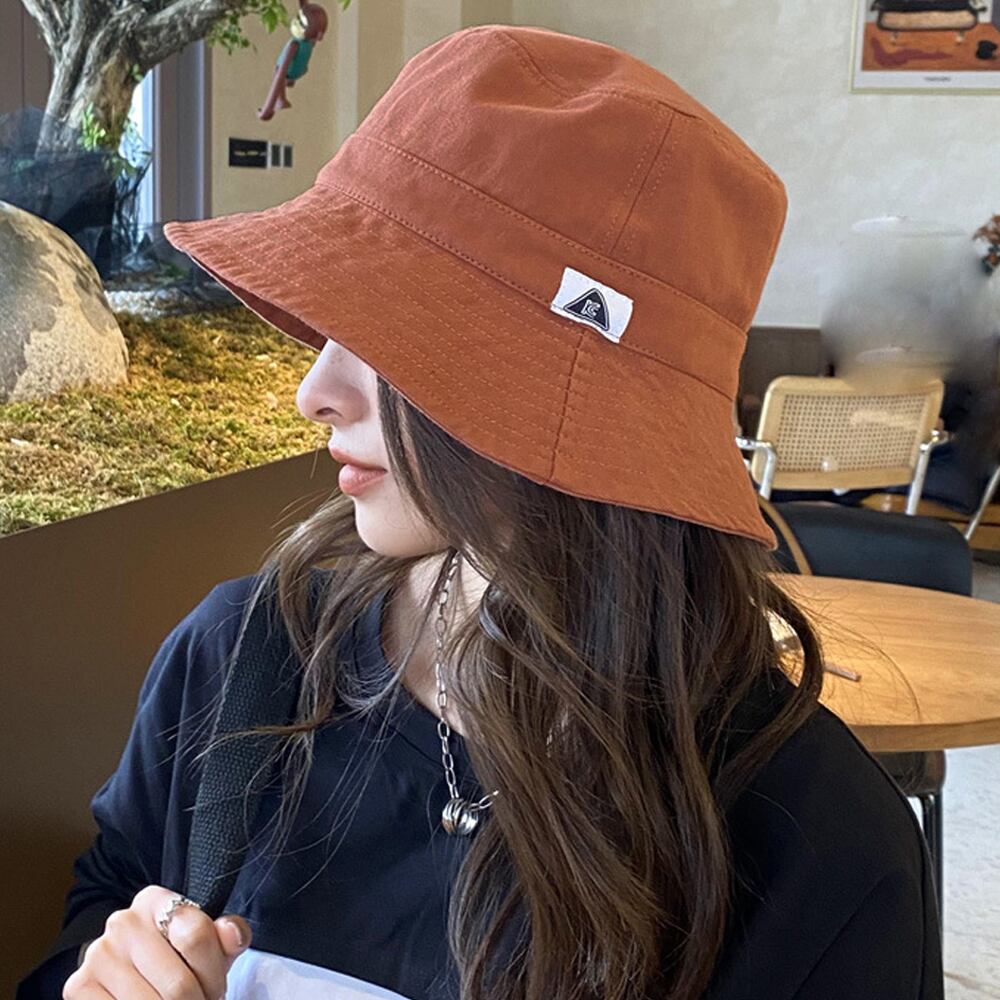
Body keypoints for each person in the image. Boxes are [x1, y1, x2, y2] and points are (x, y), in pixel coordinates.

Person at [17, 23, 943, 1000]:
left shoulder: (814, 852)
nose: (313, 391)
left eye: (392, 336)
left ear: (564, 400)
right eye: (333, 321)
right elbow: (106, 904)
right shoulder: (241, 664)